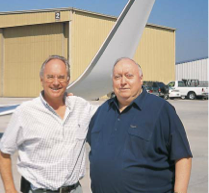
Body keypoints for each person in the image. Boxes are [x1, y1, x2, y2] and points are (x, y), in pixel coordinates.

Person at [87, 57, 192, 193]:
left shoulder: (161, 110)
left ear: (140, 79)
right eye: (117, 77)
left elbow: (182, 156)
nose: (123, 82)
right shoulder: (102, 111)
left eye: (129, 76)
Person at [0, 55, 97, 193]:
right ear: (41, 80)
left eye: (61, 77)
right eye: (50, 77)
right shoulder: (26, 112)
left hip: (74, 189)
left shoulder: (81, 107)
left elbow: (110, 115)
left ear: (68, 80)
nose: (56, 82)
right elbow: (4, 151)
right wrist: (10, 189)